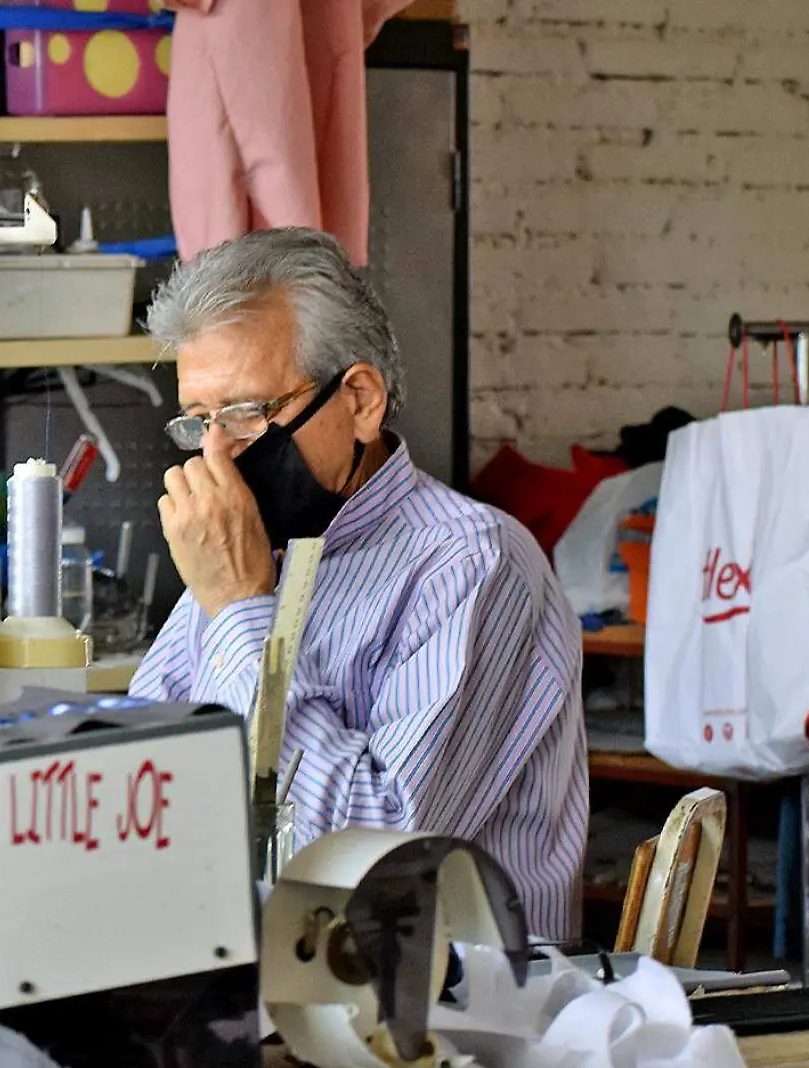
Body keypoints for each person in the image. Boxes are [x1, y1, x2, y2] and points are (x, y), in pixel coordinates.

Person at [129, 228, 587, 937]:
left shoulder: (471, 563)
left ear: (362, 401)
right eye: (199, 423)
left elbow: (376, 861)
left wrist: (241, 613)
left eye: (249, 413)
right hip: (251, 977)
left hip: (444, 1005)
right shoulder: (248, 548)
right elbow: (142, 772)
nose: (218, 456)